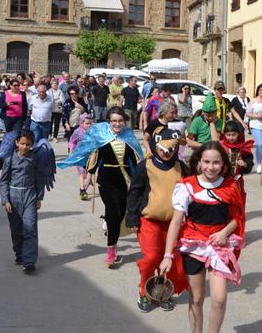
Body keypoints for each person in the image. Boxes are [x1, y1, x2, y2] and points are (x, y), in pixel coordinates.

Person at [158, 142, 245, 333]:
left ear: (223, 164)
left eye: (216, 162)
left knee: (219, 299)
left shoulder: (231, 186)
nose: (211, 167)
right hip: (193, 247)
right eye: (206, 161)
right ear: (198, 162)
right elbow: (175, 222)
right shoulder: (186, 186)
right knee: (196, 298)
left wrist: (224, 233)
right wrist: (167, 255)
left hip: (219, 248)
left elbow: (237, 219)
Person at [58, 106, 144, 268]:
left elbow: (134, 160)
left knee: (120, 215)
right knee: (113, 213)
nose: (117, 124)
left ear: (124, 121)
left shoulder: (129, 136)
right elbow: (95, 156)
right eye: (114, 121)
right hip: (106, 180)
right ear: (109, 122)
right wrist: (89, 176)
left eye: (120, 121)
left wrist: (140, 180)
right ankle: (111, 252)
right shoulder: (102, 135)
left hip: (124, 182)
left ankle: (113, 240)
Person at [126, 128, 192, 313]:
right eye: (163, 149)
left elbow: (190, 192)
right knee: (152, 257)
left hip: (174, 223)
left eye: (172, 149)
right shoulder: (144, 166)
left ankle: (162, 292)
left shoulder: (181, 167)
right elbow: (134, 192)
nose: (167, 153)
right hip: (149, 221)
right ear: (156, 146)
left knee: (169, 259)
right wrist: (131, 217)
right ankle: (144, 292)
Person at [0, 130, 47, 273]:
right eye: (22, 144)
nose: (25, 147)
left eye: (28, 144)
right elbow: (3, 182)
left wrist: (39, 197)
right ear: (16, 143)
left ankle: (29, 261)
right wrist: (5, 200)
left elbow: (40, 178)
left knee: (30, 227)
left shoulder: (35, 158)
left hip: (30, 195)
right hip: (14, 197)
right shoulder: (9, 160)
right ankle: (19, 254)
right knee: (16, 230)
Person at [219, 120, 254, 197]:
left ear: (238, 134)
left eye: (233, 135)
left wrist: (244, 164)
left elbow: (249, 164)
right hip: (221, 181)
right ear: (224, 135)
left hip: (237, 181)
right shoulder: (220, 146)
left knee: (237, 203)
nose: (231, 137)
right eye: (228, 135)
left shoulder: (244, 148)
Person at [68, 115, 94, 201]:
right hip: (79, 155)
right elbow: (72, 141)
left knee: (87, 172)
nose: (89, 125)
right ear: (81, 123)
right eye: (87, 123)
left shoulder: (93, 132)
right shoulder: (77, 132)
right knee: (82, 173)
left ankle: (88, 181)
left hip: (90, 156)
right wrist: (71, 153)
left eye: (90, 123)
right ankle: (82, 190)